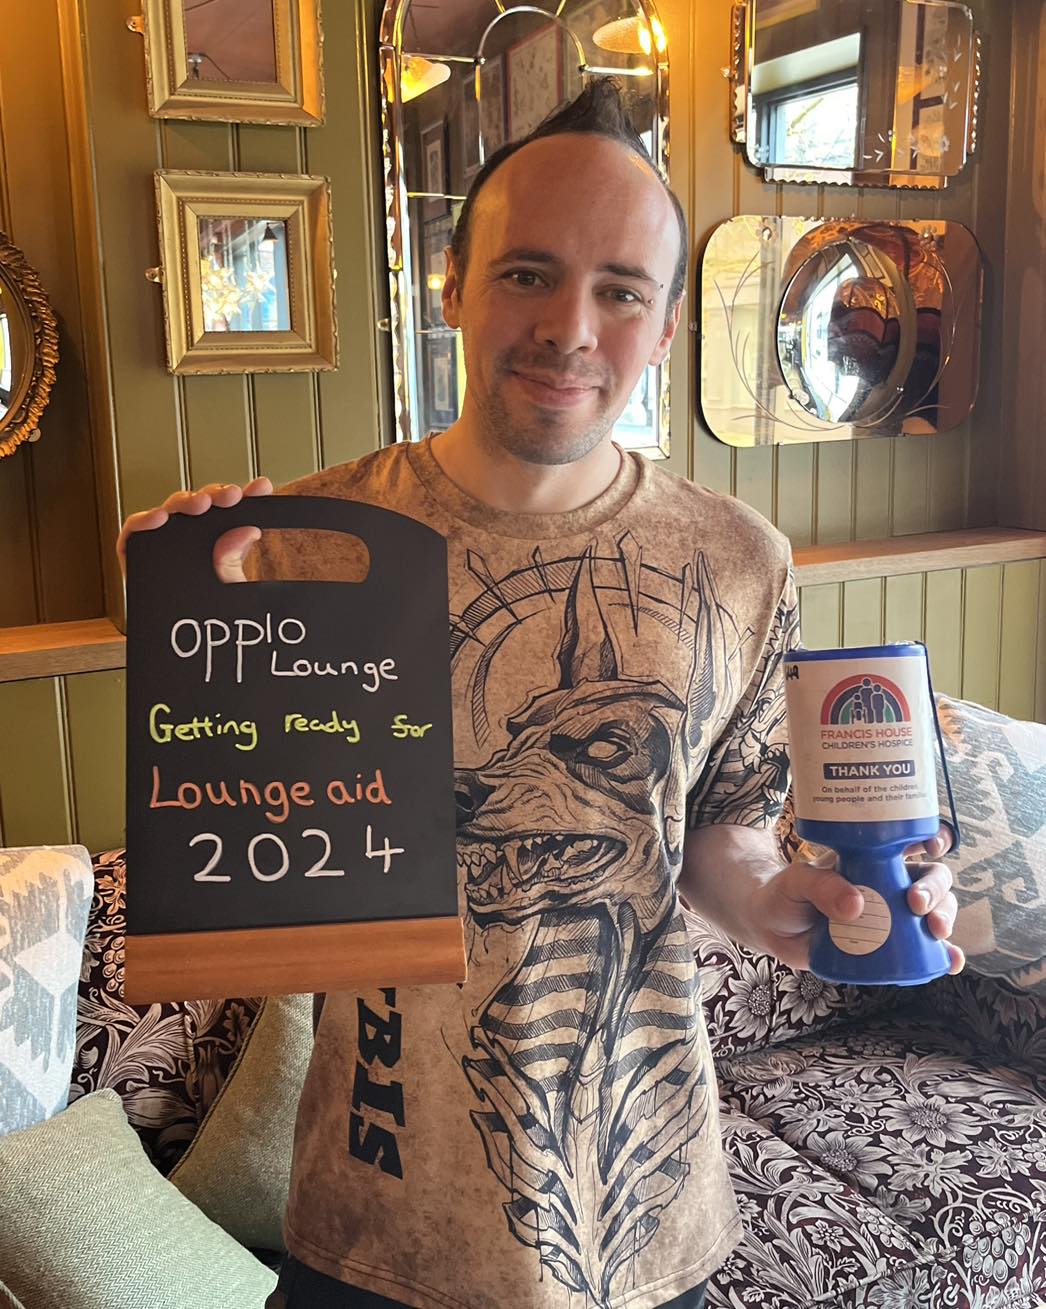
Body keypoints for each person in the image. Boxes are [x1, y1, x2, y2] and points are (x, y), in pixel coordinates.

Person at [118, 79, 963, 1309]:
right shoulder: (304, 546)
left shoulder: (740, 558)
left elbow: (711, 841)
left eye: (620, 289)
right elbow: (246, 859)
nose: (571, 327)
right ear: (449, 285)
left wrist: (787, 904)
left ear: (664, 326)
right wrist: (188, 636)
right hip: (371, 1228)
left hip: (646, 1219)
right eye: (526, 273)